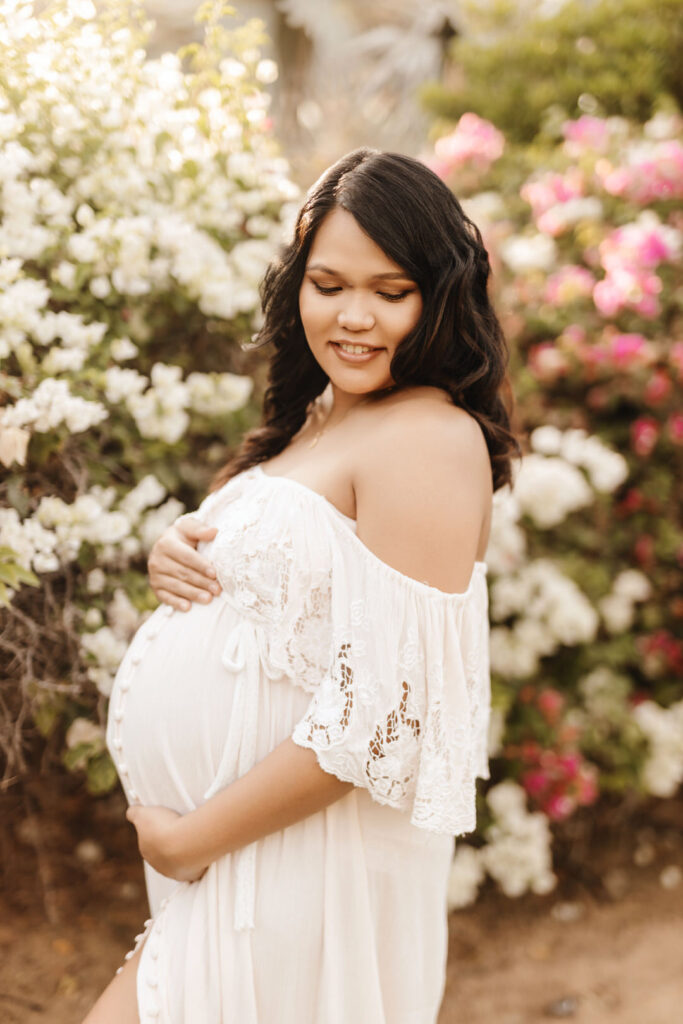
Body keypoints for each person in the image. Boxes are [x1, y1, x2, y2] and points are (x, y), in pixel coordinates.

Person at [83, 147, 520, 1024]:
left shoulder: (429, 437)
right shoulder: (316, 422)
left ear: (439, 295)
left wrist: (185, 840)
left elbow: (387, 713)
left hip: (303, 869)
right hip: (244, 869)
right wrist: (176, 547)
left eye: (389, 291)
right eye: (328, 284)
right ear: (297, 289)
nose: (353, 316)